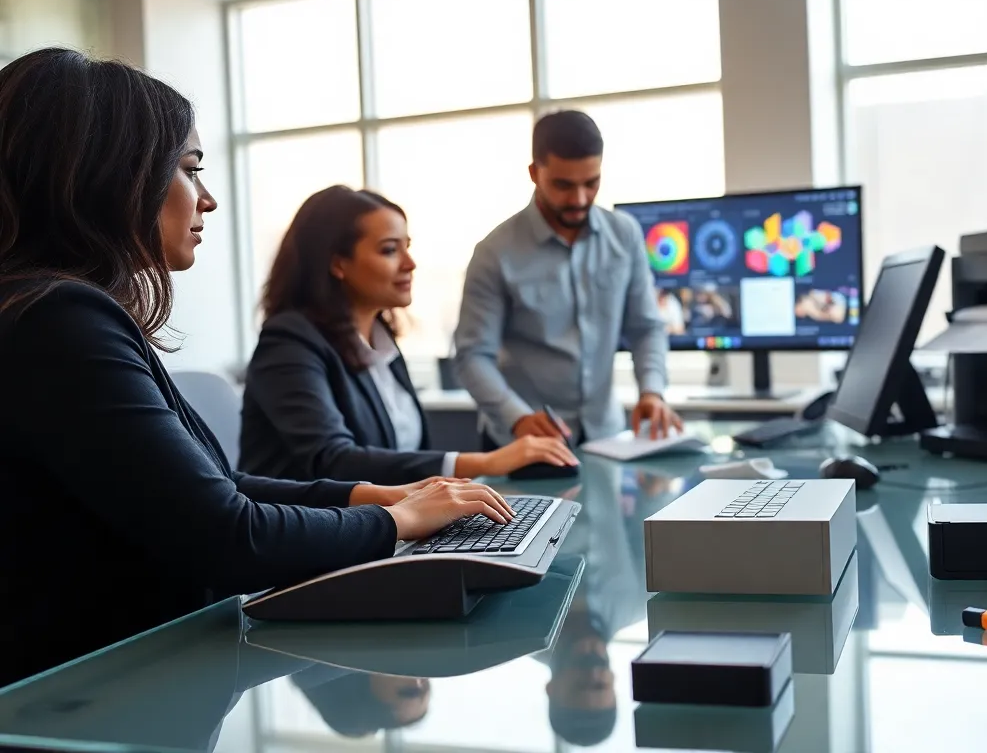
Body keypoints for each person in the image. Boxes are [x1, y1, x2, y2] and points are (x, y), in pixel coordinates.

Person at [0, 48, 514, 688]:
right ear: (112, 176)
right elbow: (226, 534)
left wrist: (372, 498)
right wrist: (394, 523)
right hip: (95, 691)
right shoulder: (60, 322)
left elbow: (215, 486)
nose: (207, 200)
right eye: (190, 170)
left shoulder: (49, 311)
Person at [240, 185, 577, 485]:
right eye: (390, 250)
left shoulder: (380, 341)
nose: (410, 263)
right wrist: (485, 462)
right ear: (338, 264)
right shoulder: (288, 343)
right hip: (313, 544)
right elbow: (334, 461)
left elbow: (395, 457)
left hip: (384, 529)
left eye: (407, 246)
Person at [454, 110, 684, 448]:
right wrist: (517, 416)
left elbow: (646, 327)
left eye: (591, 183)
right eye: (563, 185)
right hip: (520, 441)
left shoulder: (625, 235)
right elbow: (472, 356)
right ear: (534, 173)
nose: (578, 199)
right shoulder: (494, 252)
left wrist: (652, 390)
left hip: (604, 435)